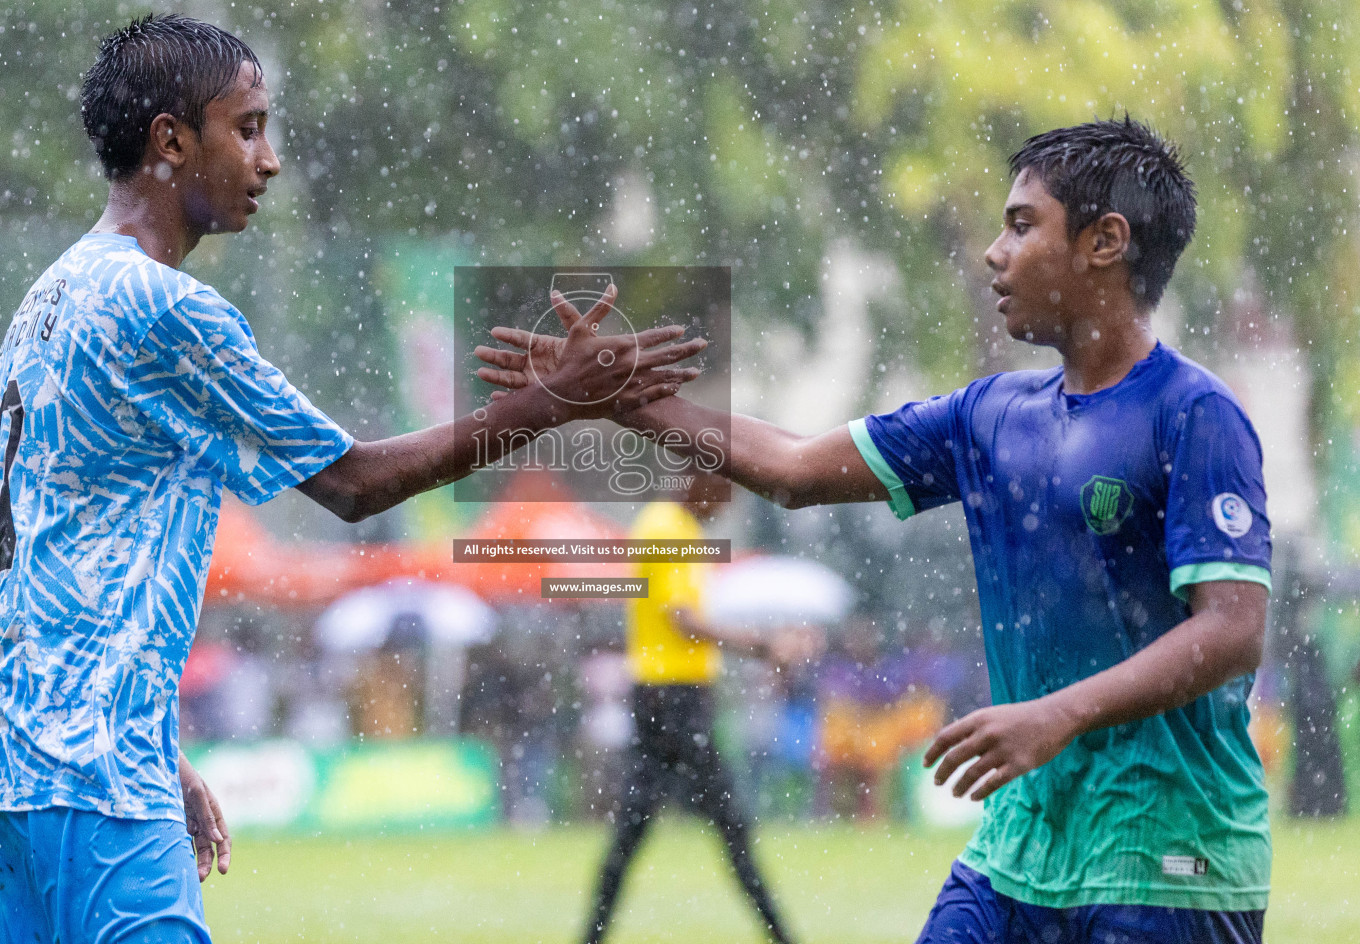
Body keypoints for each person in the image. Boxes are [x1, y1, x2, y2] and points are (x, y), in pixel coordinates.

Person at [0, 13, 704, 944]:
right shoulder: (164, 306)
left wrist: (155, 744)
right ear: (170, 140)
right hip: (95, 778)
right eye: (249, 127)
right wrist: (554, 398)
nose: (267, 161)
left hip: (4, 766)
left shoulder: (51, 294)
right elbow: (353, 483)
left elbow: (40, 567)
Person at [479, 118, 1273, 943]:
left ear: (1105, 242)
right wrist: (616, 397)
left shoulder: (1195, 415)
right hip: (1018, 853)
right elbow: (791, 467)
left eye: (1021, 224)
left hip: (1172, 862)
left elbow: (1232, 631)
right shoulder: (988, 416)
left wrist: (1058, 714)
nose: (995, 254)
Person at [580, 475, 795, 944]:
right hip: (673, 700)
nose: (728, 504)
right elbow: (683, 621)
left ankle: (591, 936)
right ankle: (782, 935)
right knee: (730, 825)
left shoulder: (669, 526)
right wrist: (760, 645)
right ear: (701, 482)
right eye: (727, 491)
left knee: (635, 828)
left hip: (664, 698)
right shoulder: (669, 529)